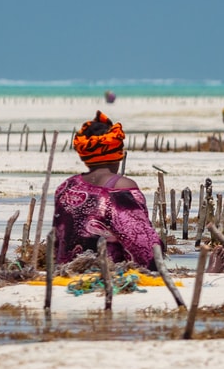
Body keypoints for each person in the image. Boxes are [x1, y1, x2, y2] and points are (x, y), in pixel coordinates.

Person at [53, 111, 161, 269]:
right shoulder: (122, 188)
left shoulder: (66, 187)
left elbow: (58, 243)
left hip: (67, 272)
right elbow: (144, 247)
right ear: (117, 153)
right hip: (108, 274)